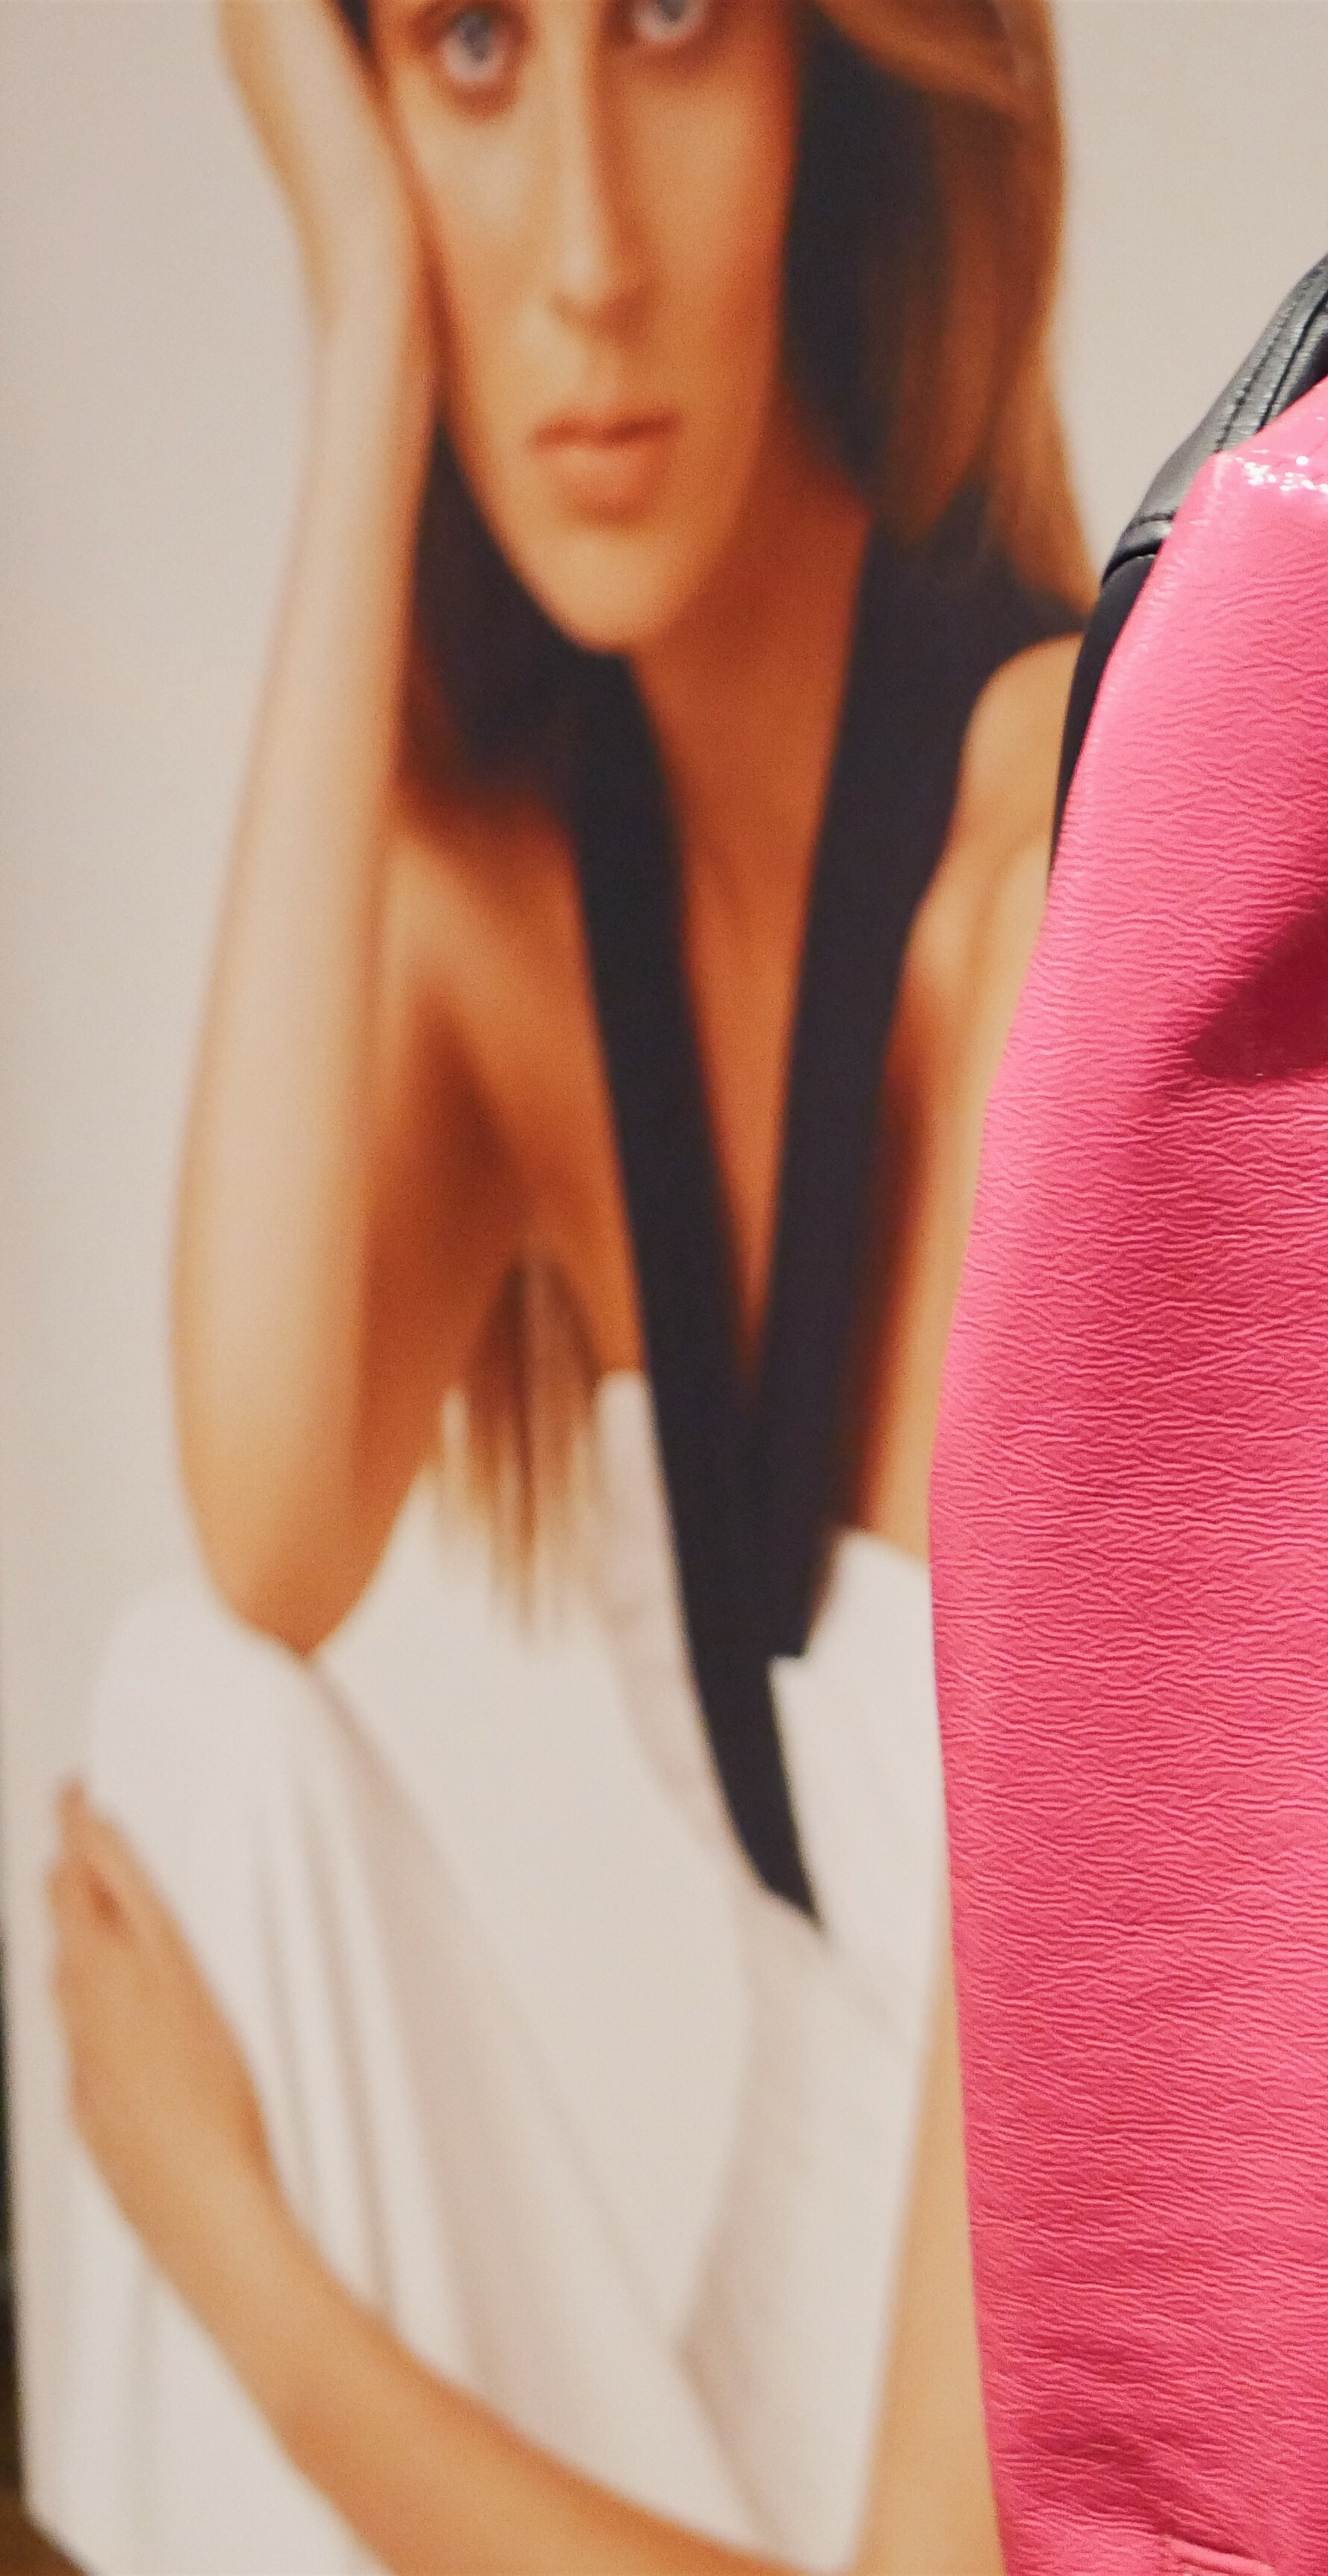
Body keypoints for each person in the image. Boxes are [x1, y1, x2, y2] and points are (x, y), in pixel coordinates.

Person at [44, 0, 1085, 2563]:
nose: (590, 256)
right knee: (195, 1743)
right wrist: (364, 325)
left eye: (675, 22)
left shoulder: (1059, 853)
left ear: (839, 81)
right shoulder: (521, 911)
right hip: (707, 2452)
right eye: (476, 46)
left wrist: (258, 2293)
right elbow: (267, 1530)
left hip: (974, 2513)